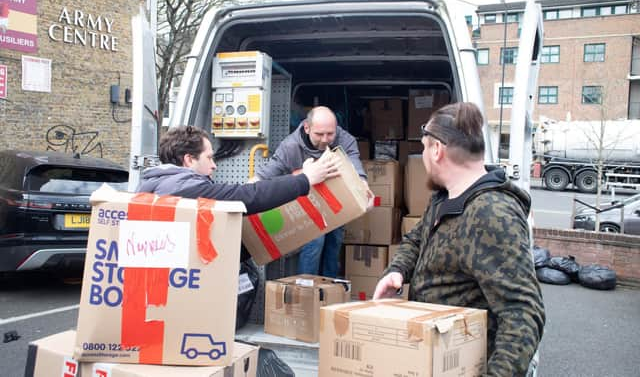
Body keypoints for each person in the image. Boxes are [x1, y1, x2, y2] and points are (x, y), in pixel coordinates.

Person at [373, 102, 545, 376]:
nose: (423, 156)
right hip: (434, 360)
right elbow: (417, 240)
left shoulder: (490, 214)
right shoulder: (445, 198)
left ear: (437, 150)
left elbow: (523, 313)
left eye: (424, 147)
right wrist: (397, 271)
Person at [253, 106, 373, 278]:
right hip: (306, 202)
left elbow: (354, 162)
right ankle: (306, 288)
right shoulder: (290, 147)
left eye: (330, 134)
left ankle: (329, 287)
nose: (325, 139)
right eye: (319, 134)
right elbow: (266, 174)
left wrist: (363, 185)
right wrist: (243, 198)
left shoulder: (345, 139)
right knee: (315, 241)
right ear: (307, 128)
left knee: (335, 240)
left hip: (335, 201)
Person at [136, 125, 339, 215]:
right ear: (189, 160)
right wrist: (305, 179)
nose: (214, 165)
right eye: (209, 157)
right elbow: (247, 197)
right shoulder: (183, 191)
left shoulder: (154, 186)